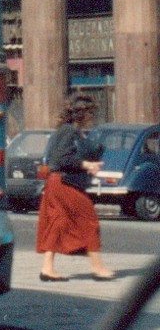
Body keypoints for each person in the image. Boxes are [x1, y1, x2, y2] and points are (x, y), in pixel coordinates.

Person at [37, 93, 115, 282]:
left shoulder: (62, 131)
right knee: (89, 219)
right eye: (91, 113)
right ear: (84, 114)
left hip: (56, 182)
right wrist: (87, 165)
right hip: (65, 184)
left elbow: (60, 158)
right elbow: (63, 159)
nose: (92, 118)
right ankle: (98, 268)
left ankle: (47, 268)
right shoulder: (70, 132)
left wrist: (88, 165)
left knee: (58, 221)